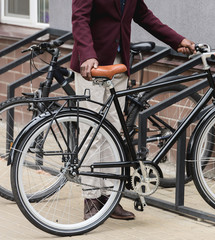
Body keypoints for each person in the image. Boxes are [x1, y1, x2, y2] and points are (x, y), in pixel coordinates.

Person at [71, 0, 195, 221]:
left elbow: (145, 17)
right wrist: (88, 54)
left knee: (113, 133)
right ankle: (90, 198)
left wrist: (177, 41)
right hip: (93, 66)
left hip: (119, 66)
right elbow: (80, 19)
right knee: (93, 133)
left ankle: (109, 198)